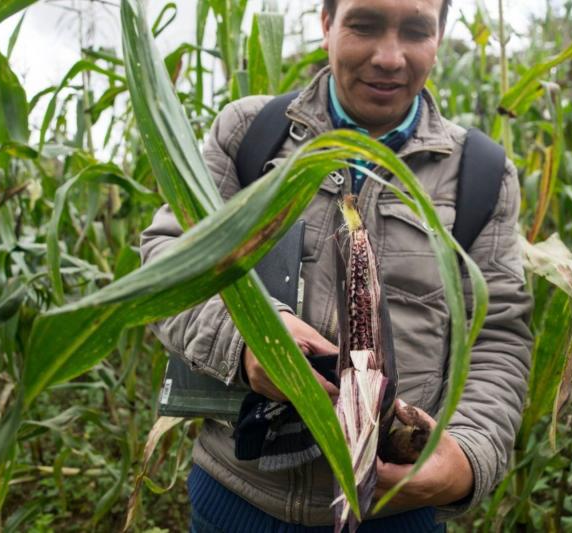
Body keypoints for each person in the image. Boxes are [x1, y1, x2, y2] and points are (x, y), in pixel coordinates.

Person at [140, 0, 533, 530]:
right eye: (365, 25)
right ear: (327, 24)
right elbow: (170, 265)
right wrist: (249, 340)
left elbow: (498, 336)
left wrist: (465, 458)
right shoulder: (250, 134)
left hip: (394, 513)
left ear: (440, 35)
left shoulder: (481, 175)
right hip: (238, 497)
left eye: (415, 31)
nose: (390, 58)